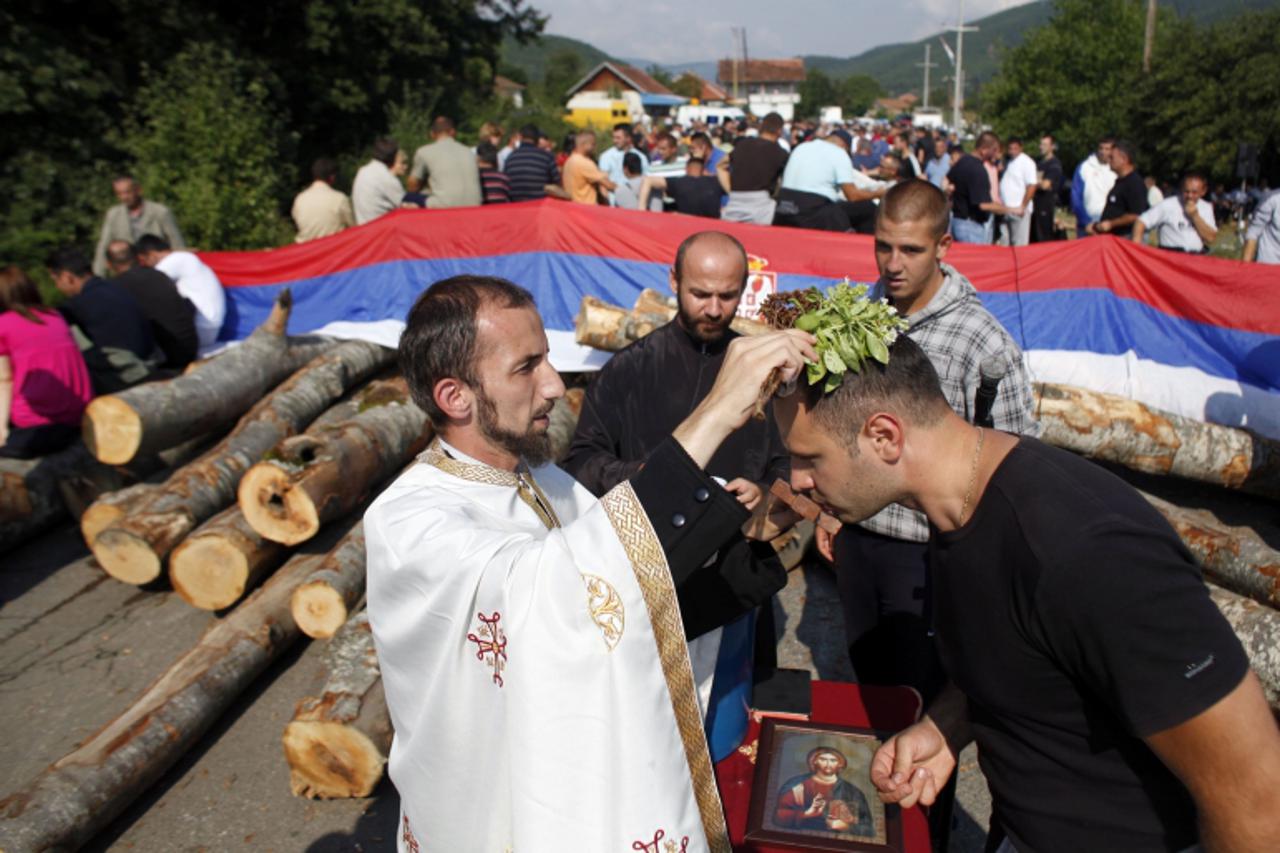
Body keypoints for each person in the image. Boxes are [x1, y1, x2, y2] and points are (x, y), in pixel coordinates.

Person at [364, 274, 815, 850]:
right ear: (456, 396)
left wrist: (755, 538)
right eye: (527, 367)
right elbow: (553, 592)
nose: (554, 385)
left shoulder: (545, 480)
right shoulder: (408, 522)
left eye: (548, 359)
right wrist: (719, 409)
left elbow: (620, 606)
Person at [563, 231, 791, 759]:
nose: (714, 309)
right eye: (700, 293)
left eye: (727, 295)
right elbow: (580, 462)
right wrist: (646, 473)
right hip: (642, 575)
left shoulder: (762, 372)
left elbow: (787, 462)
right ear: (673, 282)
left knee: (719, 734)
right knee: (642, 735)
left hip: (729, 576)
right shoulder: (628, 369)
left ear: (745, 290)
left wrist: (760, 491)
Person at [832, 178, 1037, 712]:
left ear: (944, 246)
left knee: (921, 707)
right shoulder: (859, 316)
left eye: (911, 250)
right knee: (869, 695)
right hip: (858, 542)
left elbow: (1015, 463)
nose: (892, 263)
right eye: (883, 245)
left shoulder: (982, 343)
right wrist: (826, 508)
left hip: (927, 554)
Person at [0, 266, 93, 458]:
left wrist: (1, 429)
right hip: (79, 415)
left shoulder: (3, 325)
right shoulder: (54, 316)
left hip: (38, 423)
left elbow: (3, 380)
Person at [47, 246, 157, 393]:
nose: (57, 287)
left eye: (56, 281)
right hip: (151, 363)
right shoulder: (114, 287)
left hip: (126, 376)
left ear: (68, 277)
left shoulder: (80, 304)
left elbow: (48, 324)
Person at [105, 240, 198, 370]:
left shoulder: (114, 289)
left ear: (108, 265)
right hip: (191, 347)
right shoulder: (159, 275)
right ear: (138, 257)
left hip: (168, 359)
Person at [775, 130, 886, 234]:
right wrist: (879, 193)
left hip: (783, 206)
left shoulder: (802, 147)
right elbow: (852, 196)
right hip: (811, 211)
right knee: (867, 208)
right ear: (845, 147)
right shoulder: (839, 153)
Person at [135, 234, 225, 353]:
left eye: (143, 261)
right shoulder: (185, 258)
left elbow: (146, 284)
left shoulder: (176, 259)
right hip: (207, 327)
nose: (145, 266)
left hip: (201, 327)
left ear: (151, 254)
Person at [93, 175, 185, 277]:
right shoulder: (113, 215)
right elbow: (103, 246)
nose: (124, 197)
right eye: (119, 193)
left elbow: (177, 243)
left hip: (158, 271)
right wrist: (97, 278)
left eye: (127, 192)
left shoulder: (160, 212)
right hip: (127, 274)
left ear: (138, 190)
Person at [773, 747, 873, 835]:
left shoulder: (852, 792)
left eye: (833, 760)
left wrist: (846, 827)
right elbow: (778, 817)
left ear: (840, 764)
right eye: (823, 759)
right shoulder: (796, 785)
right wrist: (806, 813)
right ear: (814, 761)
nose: (828, 764)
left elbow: (868, 828)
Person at [948, 133, 1023, 244]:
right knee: (975, 260)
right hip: (970, 227)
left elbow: (946, 182)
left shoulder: (963, 160)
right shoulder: (978, 170)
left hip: (957, 221)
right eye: (994, 150)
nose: (996, 154)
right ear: (983, 149)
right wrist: (1013, 210)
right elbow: (983, 204)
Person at [717, 111, 789, 225]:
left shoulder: (742, 145)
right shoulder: (780, 153)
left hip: (735, 202)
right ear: (779, 131)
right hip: (761, 206)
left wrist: (730, 191)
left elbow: (720, 166)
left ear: (761, 127)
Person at [407, 117, 483, 209]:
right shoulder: (469, 152)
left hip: (445, 206)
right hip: (475, 205)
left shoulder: (424, 152)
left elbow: (412, 185)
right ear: (453, 132)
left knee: (408, 197)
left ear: (432, 134)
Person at [1132, 173, 1217, 253]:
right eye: (1186, 191)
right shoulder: (1168, 205)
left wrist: (1195, 216)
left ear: (1203, 192)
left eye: (1194, 192)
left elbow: (1210, 238)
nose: (1190, 196)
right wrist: (1136, 247)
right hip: (1170, 255)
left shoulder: (1206, 207)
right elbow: (1141, 221)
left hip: (1195, 257)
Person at [1088, 140, 1147, 238]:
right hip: (1111, 237)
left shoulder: (1134, 183)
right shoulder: (1120, 182)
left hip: (1125, 238)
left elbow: (1136, 214)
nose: (1109, 160)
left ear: (1123, 159)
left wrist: (1111, 224)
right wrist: (1097, 227)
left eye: (1112, 157)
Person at [291, 158, 356, 242]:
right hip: (332, 249)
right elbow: (353, 226)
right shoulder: (339, 199)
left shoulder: (300, 199)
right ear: (332, 177)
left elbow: (297, 223)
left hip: (305, 250)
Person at [640, 158, 724, 219]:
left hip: (687, 226)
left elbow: (648, 180)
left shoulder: (679, 182)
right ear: (703, 170)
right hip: (714, 227)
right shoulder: (716, 182)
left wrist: (641, 212)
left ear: (686, 169)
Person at [352, 138, 410, 225]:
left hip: (363, 227)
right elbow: (407, 206)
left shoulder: (363, 171)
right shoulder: (386, 177)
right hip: (382, 232)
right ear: (393, 157)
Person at [503, 124, 562, 202]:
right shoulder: (547, 157)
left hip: (516, 208)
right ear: (537, 139)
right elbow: (557, 183)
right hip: (540, 208)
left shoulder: (510, 159)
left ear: (520, 137)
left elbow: (505, 185)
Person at [1071, 136, 1116, 236]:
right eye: (1101, 148)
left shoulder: (1117, 169)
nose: (1103, 152)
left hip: (1110, 225)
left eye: (1107, 149)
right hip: (1087, 226)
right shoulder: (1085, 167)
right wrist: (1086, 222)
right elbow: (1076, 198)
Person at [997, 137, 1038, 247]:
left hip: (1019, 209)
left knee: (1019, 244)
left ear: (1021, 148)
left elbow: (1032, 185)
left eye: (1015, 148)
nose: (1012, 151)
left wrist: (1023, 206)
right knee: (1005, 242)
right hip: (1005, 209)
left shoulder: (1027, 162)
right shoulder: (1008, 161)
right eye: (1010, 148)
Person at [561, 130, 614, 205]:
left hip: (573, 207)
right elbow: (608, 185)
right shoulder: (584, 163)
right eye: (593, 144)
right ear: (585, 144)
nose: (595, 147)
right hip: (587, 208)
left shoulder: (569, 161)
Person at [1031, 134, 1064, 243]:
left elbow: (1045, 185)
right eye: (1041, 144)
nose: (1041, 147)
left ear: (1052, 147)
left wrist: (1033, 183)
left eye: (1045, 144)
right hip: (1035, 205)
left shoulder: (1054, 164)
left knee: (1044, 237)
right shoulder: (1038, 162)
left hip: (1046, 206)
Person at [598, 122, 647, 192]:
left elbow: (646, 179)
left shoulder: (641, 157)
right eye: (614, 137)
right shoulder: (606, 156)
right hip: (613, 201)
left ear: (628, 138)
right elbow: (603, 183)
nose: (614, 141)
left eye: (618, 138)